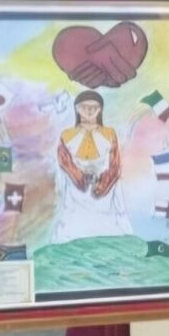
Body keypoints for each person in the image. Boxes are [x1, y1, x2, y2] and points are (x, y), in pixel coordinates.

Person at [52, 90, 132, 243]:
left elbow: (115, 162)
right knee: (71, 225)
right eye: (84, 107)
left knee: (106, 226)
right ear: (77, 109)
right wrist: (79, 178)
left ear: (100, 110)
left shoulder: (109, 133)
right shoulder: (66, 134)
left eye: (94, 107)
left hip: (104, 189)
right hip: (75, 187)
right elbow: (64, 160)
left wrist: (103, 183)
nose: (89, 111)